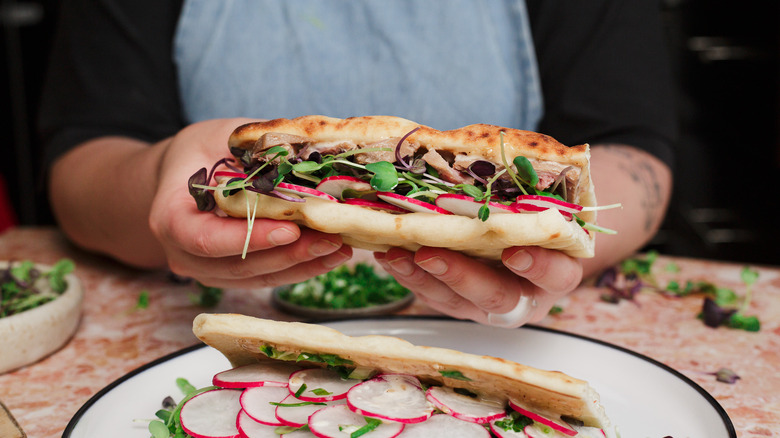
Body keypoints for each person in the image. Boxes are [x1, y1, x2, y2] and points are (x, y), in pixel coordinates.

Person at [39, 0, 675, 328]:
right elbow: (83, 158)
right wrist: (161, 181)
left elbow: (635, 153)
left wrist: (534, 256)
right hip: (222, 338)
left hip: (493, 345)